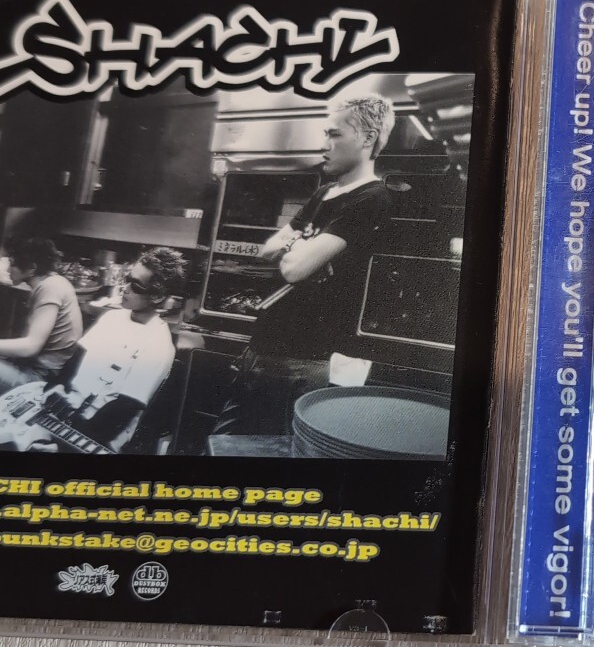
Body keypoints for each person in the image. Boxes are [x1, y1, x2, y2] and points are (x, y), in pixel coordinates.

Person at [215, 94, 395, 436]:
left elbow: (293, 269)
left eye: (335, 134)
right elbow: (268, 249)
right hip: (260, 350)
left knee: (268, 455)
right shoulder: (323, 193)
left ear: (368, 138)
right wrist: (302, 250)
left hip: (300, 361)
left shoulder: (371, 199)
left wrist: (296, 246)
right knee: (224, 446)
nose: (324, 144)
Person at [0, 247, 188, 454]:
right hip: (63, 411)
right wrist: (57, 388)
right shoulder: (112, 318)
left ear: (157, 295)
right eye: (127, 280)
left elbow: (123, 409)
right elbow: (74, 362)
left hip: (97, 433)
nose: (125, 289)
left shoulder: (158, 344)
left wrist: (62, 442)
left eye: (135, 286)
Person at [0, 238, 83, 394]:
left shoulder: (50, 287)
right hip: (33, 369)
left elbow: (30, 347)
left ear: (32, 268)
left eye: (13, 264)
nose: (8, 269)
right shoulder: (54, 282)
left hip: (38, 379)